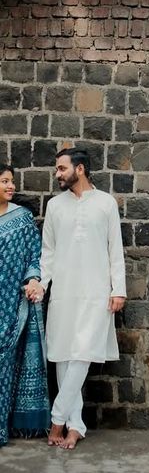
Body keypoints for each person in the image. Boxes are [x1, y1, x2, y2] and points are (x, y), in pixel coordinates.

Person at [39, 148, 126, 450]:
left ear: (80, 169)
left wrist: (119, 289)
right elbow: (47, 251)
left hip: (96, 292)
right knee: (63, 355)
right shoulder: (54, 206)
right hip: (62, 291)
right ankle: (75, 426)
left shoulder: (105, 203)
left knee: (82, 354)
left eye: (61, 168)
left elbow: (115, 248)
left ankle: (57, 420)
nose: (57, 174)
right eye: (56, 169)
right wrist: (42, 283)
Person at [0, 164, 50, 447]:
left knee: (4, 364)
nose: (11, 186)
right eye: (4, 181)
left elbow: (34, 255)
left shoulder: (22, 219)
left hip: (10, 304)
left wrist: (33, 279)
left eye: (12, 181)